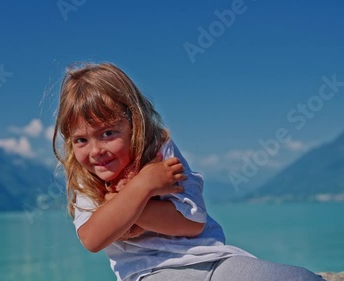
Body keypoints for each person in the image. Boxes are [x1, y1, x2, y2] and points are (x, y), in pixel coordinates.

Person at [52, 62, 324, 281]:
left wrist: (125, 202)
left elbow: (192, 224)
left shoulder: (159, 149)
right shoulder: (85, 177)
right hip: (149, 273)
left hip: (208, 259)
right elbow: (93, 237)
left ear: (134, 122)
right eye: (81, 140)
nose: (96, 150)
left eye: (108, 133)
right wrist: (143, 187)